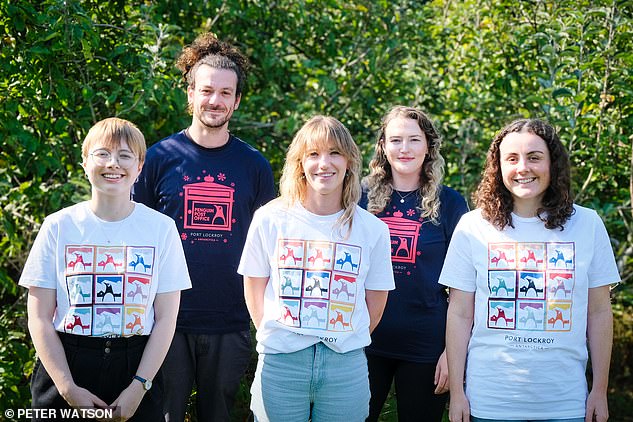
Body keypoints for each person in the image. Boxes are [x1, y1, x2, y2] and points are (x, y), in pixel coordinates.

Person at [132, 33, 275, 422]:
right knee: (164, 414)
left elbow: (271, 246)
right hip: (165, 320)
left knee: (219, 415)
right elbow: (134, 237)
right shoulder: (159, 158)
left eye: (225, 93)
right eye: (207, 90)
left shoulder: (254, 166)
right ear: (190, 94)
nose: (216, 100)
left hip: (230, 319)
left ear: (237, 100)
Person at [439, 118, 620, 422]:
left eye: (534, 157)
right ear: (499, 167)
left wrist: (599, 390)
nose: (523, 167)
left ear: (553, 164)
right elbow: (459, 314)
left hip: (566, 403)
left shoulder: (587, 225)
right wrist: (457, 391)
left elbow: (599, 312)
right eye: (512, 158)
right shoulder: (473, 226)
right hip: (490, 403)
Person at [19, 117, 191, 421]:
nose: (114, 164)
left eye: (125, 155)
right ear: (85, 162)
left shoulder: (161, 229)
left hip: (136, 367)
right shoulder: (58, 226)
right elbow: (39, 317)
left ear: (139, 167)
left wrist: (139, 387)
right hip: (67, 362)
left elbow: (166, 318)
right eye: (102, 154)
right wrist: (67, 387)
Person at [238, 115, 395, 421]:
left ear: (349, 161)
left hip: (344, 364)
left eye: (334, 153)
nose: (324, 163)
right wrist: (284, 337)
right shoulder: (270, 219)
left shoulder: (372, 230)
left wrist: (340, 335)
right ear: (300, 162)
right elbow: (254, 289)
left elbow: (375, 305)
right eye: (313, 154)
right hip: (281, 362)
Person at [360, 106, 469, 422]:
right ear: (383, 146)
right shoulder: (359, 196)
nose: (404, 149)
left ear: (429, 146)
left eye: (413, 140)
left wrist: (453, 353)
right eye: (395, 140)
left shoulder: (450, 203)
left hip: (427, 345)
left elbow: (464, 285)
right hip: (364, 340)